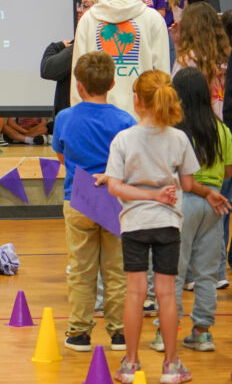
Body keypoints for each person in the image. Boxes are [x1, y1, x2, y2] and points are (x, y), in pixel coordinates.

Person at [104, 70, 202, 383]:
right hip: (167, 224)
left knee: (135, 293)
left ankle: (130, 365)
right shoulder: (179, 138)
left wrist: (146, 194)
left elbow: (115, 188)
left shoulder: (123, 139)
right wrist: (163, 192)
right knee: (167, 295)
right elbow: (187, 182)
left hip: (134, 223)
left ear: (136, 100)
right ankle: (171, 366)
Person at [52, 52, 135, 353]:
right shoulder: (125, 119)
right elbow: (129, 161)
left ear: (78, 84)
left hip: (78, 197)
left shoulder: (65, 117)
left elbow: (61, 155)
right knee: (116, 269)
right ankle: (119, 333)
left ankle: (79, 333)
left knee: (81, 269)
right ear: (113, 83)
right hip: (115, 198)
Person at [163, 67, 232, 354]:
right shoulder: (223, 130)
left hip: (182, 203)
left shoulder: (173, 132)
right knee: (206, 273)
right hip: (213, 204)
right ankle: (202, 332)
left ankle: (166, 331)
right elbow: (228, 172)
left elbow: (168, 170)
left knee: (174, 272)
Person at [72, 0, 170, 120]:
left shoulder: (88, 20)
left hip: (95, 123)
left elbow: (77, 78)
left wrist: (79, 120)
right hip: (142, 124)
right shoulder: (153, 19)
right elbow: (162, 76)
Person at [42, 0, 109, 118]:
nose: (79, 10)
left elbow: (48, 69)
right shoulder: (78, 43)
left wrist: (56, 47)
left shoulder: (84, 45)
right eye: (80, 5)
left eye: (85, 6)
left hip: (79, 121)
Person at [172, 1, 229, 118]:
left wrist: (178, 48)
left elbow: (175, 92)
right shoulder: (227, 56)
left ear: (188, 29)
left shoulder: (188, 58)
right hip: (226, 124)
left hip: (200, 124)